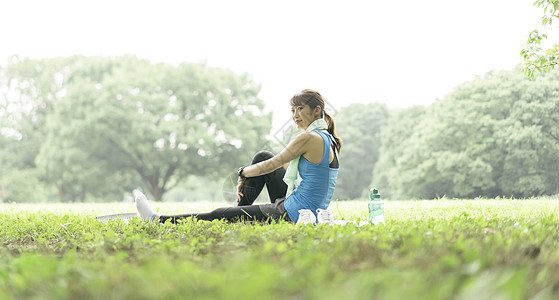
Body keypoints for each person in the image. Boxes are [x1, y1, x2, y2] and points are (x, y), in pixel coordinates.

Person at [134, 89, 342, 224]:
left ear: (317, 111)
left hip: (292, 213)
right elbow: (290, 169)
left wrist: (242, 173)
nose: (295, 115)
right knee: (262, 155)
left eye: (300, 109)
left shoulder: (308, 138)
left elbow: (273, 164)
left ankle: (157, 220)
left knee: (217, 214)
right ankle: (237, 214)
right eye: (293, 109)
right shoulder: (328, 138)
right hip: (307, 209)